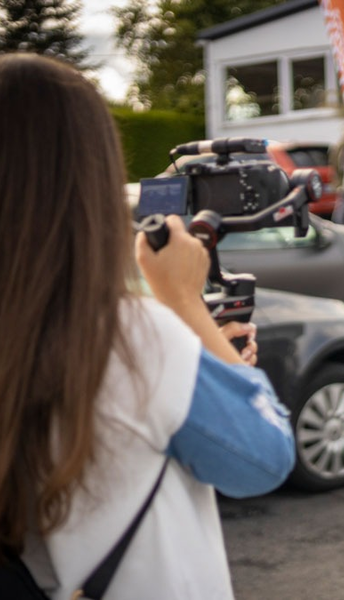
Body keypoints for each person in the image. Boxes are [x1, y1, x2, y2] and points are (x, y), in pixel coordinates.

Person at [0, 53, 296, 599]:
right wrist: (182, 303)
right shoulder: (131, 337)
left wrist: (200, 347)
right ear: (90, 177)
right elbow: (265, 459)